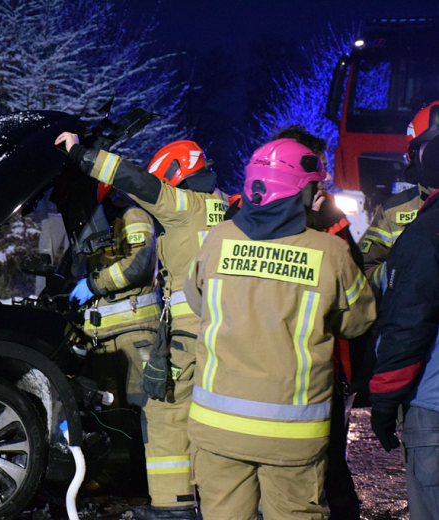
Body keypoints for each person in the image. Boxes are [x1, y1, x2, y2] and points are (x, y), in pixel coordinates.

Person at [184, 138, 376, 519]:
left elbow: (197, 301)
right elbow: (359, 321)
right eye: (313, 186)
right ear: (302, 193)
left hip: (217, 428)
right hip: (291, 436)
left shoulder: (217, 240)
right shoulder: (331, 253)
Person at [55, 133, 229, 519]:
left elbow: (131, 178)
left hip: (190, 329)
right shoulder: (224, 207)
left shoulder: (182, 204)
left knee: (165, 411)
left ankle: (173, 507)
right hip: (229, 330)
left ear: (176, 174)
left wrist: (80, 154)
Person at [369, 114, 439, 520]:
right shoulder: (396, 209)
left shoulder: (421, 231)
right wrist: (390, 274)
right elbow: (367, 268)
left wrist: (402, 274)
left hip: (428, 393)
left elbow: (409, 325)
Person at [68, 184, 161, 493]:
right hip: (103, 341)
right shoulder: (93, 225)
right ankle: (119, 481)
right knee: (111, 416)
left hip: (136, 335)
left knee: (144, 412)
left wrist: (94, 285)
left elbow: (139, 264)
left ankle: (153, 482)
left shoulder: (132, 215)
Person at [359, 101, 439, 289]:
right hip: (412, 315)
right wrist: (398, 274)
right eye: (432, 149)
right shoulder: (393, 211)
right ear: (414, 155)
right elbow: (365, 270)